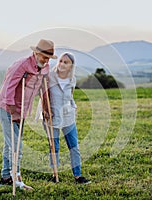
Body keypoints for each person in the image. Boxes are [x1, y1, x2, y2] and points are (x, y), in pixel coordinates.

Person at [0, 39, 57, 189]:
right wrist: (11, 107)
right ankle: (16, 179)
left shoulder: (45, 68)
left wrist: (45, 106)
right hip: (7, 107)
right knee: (16, 146)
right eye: (44, 57)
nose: (46, 60)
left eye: (49, 58)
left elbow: (43, 88)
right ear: (36, 53)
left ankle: (5, 178)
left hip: (23, 109)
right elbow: (8, 86)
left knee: (9, 144)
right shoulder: (22, 64)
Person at [44, 52, 91, 184]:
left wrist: (73, 107)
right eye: (61, 61)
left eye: (66, 62)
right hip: (52, 116)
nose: (62, 64)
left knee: (74, 146)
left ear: (71, 66)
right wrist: (45, 112)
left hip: (68, 117)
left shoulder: (72, 80)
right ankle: (54, 175)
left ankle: (78, 176)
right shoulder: (49, 77)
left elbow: (70, 96)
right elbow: (42, 94)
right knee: (54, 146)